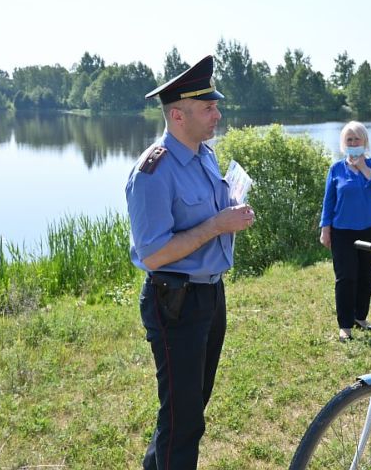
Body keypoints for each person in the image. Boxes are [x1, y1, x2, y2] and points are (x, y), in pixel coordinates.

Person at [126, 55, 255, 470]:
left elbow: (211, 215)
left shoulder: (205, 155)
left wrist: (232, 212)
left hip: (210, 296)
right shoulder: (153, 171)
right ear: (177, 114)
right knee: (183, 422)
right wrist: (217, 225)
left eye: (216, 105)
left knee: (190, 407)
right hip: (174, 302)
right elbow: (153, 253)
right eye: (208, 108)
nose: (217, 114)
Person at [319, 121, 371, 342]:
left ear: (364, 142)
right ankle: (345, 325)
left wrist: (363, 168)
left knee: (365, 277)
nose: (353, 143)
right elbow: (328, 201)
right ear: (344, 143)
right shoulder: (336, 169)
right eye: (349, 140)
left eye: (357, 139)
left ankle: (361, 317)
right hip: (342, 232)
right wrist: (325, 229)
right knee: (346, 278)